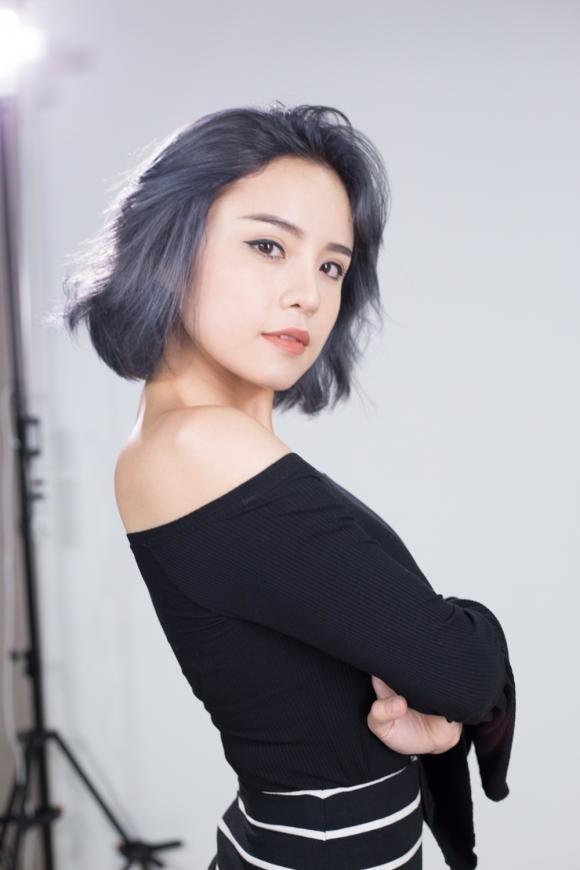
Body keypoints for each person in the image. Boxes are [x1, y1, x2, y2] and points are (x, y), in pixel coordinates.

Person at [47, 102, 515, 869]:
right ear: (169, 247)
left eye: (332, 265)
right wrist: (474, 643)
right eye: (268, 245)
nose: (309, 294)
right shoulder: (200, 444)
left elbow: (410, 676)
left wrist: (437, 712)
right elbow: (459, 670)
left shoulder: (198, 441)